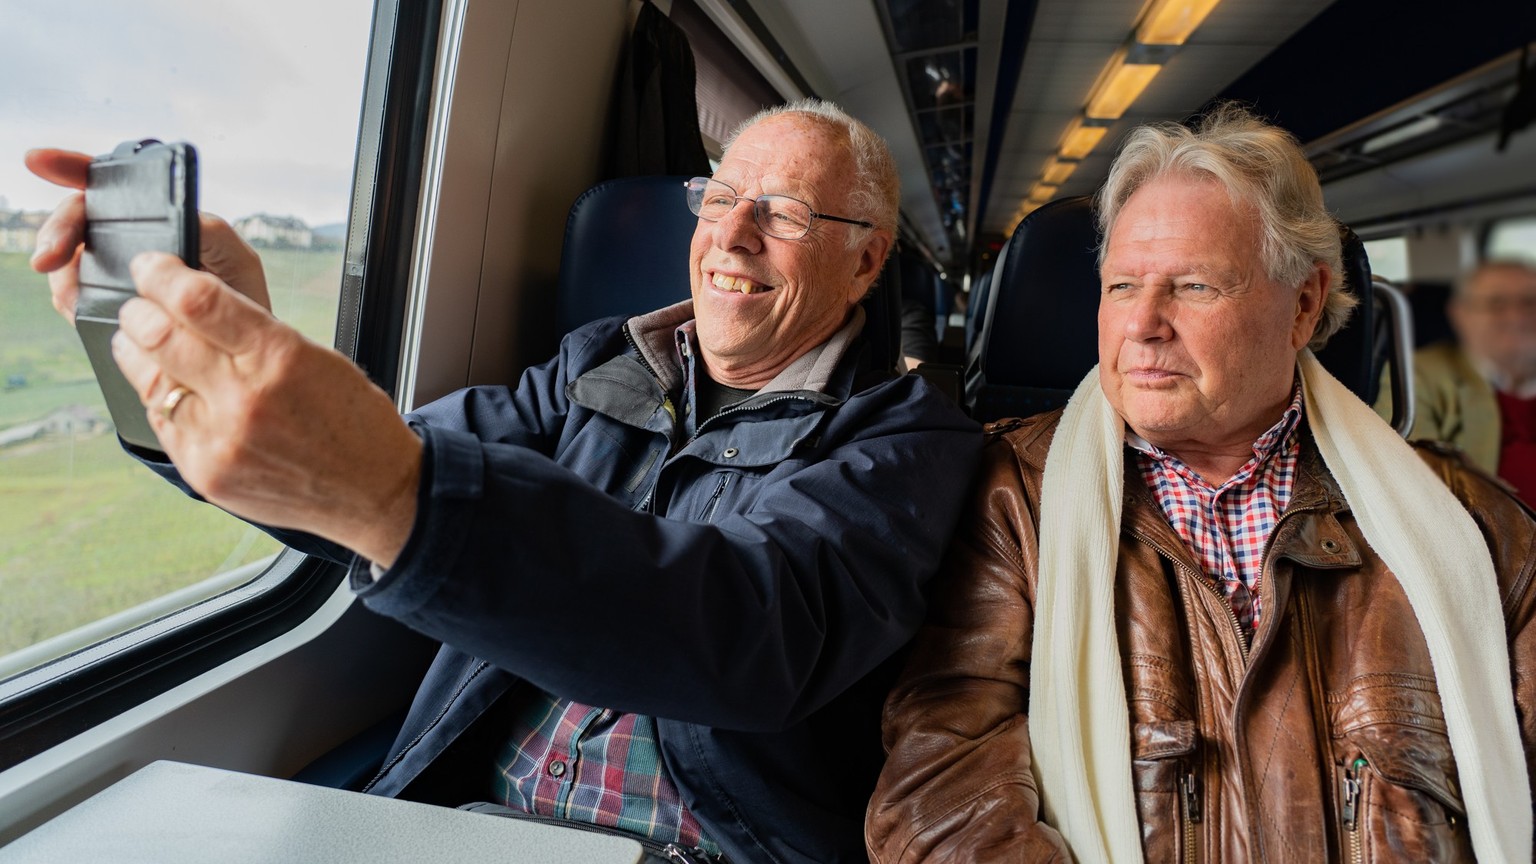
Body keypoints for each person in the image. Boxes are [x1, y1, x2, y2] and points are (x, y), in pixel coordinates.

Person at [27, 99, 981, 864]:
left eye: (784, 213)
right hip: (470, 815)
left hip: (704, 843)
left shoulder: (908, 437)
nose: (732, 237)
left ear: (864, 262)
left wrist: (392, 488)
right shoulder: (594, 367)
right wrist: (196, 391)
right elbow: (377, 476)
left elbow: (753, 626)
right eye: (721, 195)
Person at [867, 104, 1536, 863]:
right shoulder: (1007, 503)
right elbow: (944, 797)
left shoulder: (1472, 530)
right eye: (1121, 286)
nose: (1144, 323)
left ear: (1304, 304)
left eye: (1194, 287)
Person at [1409, 259, 1536, 503]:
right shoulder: (1420, 377)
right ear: (1460, 314)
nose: (1515, 315)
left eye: (1529, 302)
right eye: (1496, 304)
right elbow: (1416, 484)